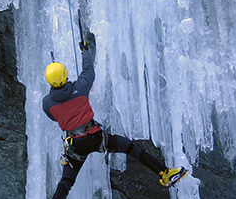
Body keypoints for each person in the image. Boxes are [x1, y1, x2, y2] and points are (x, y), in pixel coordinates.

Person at [42, 41, 187, 199]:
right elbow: (88, 70)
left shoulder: (47, 103)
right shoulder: (81, 87)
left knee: (66, 181)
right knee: (131, 148)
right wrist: (85, 50)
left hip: (75, 147)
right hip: (96, 138)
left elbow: (54, 117)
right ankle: (165, 174)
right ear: (65, 74)